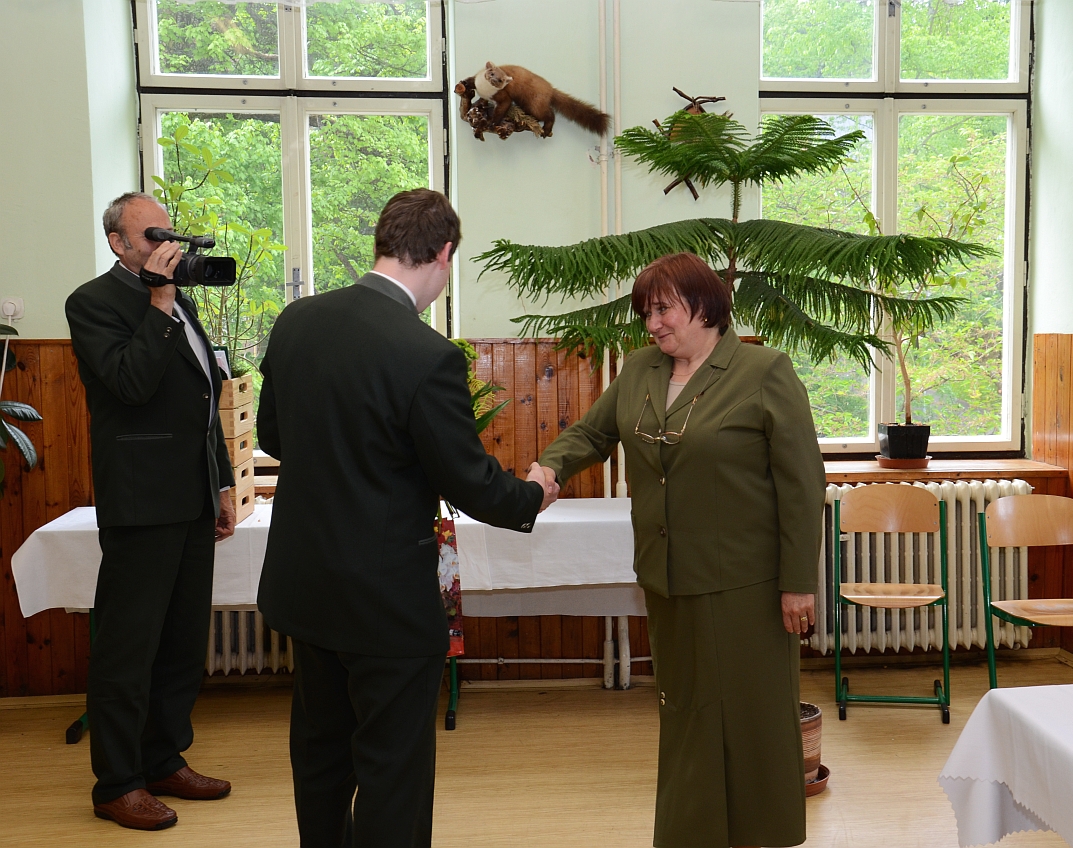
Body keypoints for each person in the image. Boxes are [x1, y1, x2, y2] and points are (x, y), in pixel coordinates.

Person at [256, 188, 558, 848]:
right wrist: (533, 493)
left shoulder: (297, 322)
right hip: (386, 602)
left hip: (307, 590)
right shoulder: (427, 354)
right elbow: (469, 482)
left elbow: (273, 436)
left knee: (320, 757)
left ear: (383, 243)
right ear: (444, 253)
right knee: (392, 772)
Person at [535, 252, 825, 848]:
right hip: (668, 578)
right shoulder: (640, 369)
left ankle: (761, 835)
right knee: (686, 715)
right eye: (647, 313)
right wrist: (549, 469)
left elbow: (802, 484)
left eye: (663, 309)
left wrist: (798, 582)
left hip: (746, 586)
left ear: (705, 306)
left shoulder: (763, 370)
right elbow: (593, 432)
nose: (653, 324)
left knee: (751, 720)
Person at [65, 192, 238, 831]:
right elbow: (131, 384)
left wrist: (222, 484)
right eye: (152, 236)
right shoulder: (93, 303)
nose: (167, 247)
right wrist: (160, 302)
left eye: (170, 234)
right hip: (141, 503)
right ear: (118, 243)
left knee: (181, 644)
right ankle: (117, 783)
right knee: (128, 650)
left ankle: (163, 759)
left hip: (191, 497)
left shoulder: (176, 297)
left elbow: (201, 399)